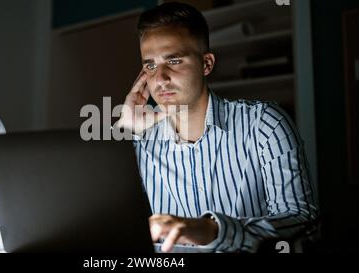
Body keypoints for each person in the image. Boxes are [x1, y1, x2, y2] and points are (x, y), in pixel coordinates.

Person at [115, 1, 318, 253]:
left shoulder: (265, 124)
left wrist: (211, 230)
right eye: (150, 65)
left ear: (207, 64)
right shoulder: (140, 140)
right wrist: (125, 129)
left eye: (174, 60)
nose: (160, 78)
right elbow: (107, 222)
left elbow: (303, 223)